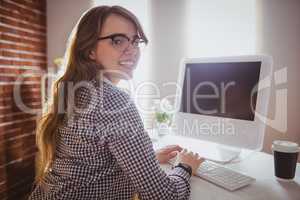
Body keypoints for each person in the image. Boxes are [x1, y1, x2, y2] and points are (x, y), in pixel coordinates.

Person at [29, 5, 204, 199]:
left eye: (135, 41)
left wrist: (146, 158)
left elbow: (91, 167)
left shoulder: (77, 90)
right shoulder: (112, 99)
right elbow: (163, 196)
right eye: (118, 41)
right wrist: (185, 166)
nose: (132, 51)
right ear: (89, 50)